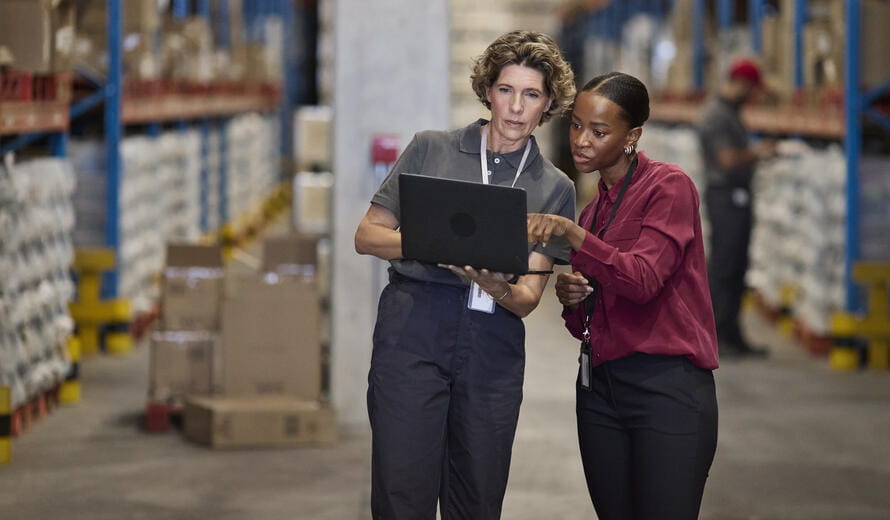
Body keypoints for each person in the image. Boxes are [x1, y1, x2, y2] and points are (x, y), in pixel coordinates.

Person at [354, 30, 576, 519]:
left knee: (477, 496)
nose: (516, 107)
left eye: (531, 94)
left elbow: (528, 297)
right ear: (488, 91)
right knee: (401, 490)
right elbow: (367, 236)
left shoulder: (555, 187)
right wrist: (439, 246)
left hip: (492, 344)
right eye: (506, 90)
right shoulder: (430, 149)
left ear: (548, 104)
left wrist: (495, 284)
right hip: (412, 330)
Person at [526, 72, 719, 520]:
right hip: (600, 391)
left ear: (632, 136)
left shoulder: (668, 188)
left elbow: (644, 280)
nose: (582, 141)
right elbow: (587, 321)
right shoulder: (594, 211)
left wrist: (575, 238)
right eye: (576, 126)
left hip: (665, 389)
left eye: (599, 131)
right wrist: (573, 299)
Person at [697, 58, 776, 358]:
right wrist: (759, 152)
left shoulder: (730, 112)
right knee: (725, 266)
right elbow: (726, 160)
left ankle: (733, 334)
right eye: (754, 90)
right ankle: (718, 337)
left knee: (737, 267)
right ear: (742, 84)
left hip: (736, 197)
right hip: (726, 197)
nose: (755, 97)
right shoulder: (717, 115)